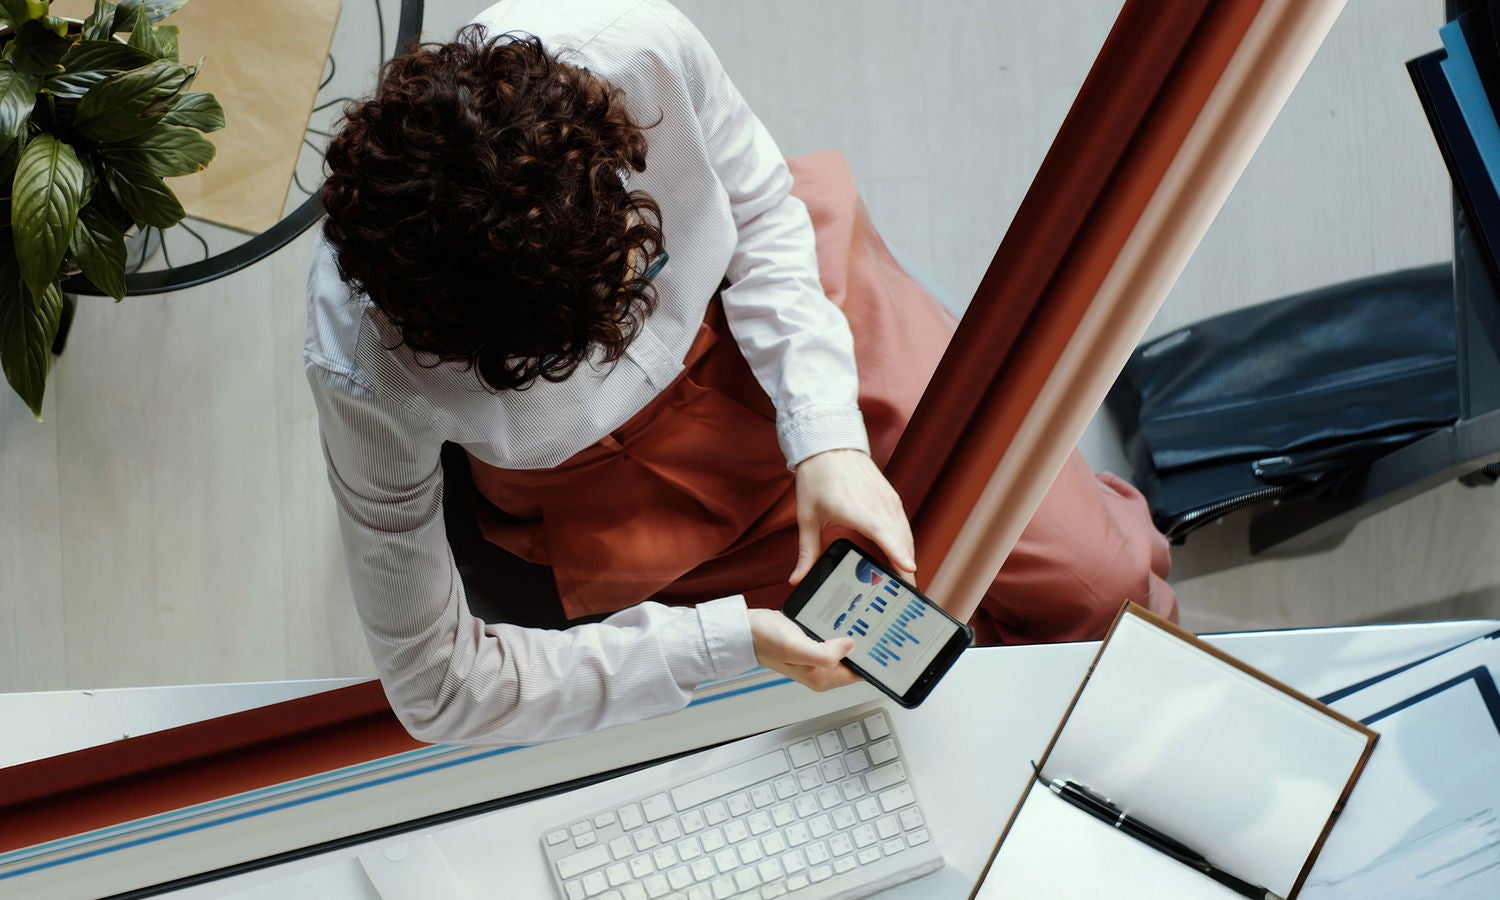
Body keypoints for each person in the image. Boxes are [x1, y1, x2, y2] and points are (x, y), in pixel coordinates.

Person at [307, 0, 1175, 747]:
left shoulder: (631, 46)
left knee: (1097, 586)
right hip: (625, 490)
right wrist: (728, 643)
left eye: (641, 267)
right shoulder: (363, 377)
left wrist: (826, 436)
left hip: (787, 316)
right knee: (896, 685)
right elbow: (436, 684)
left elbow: (759, 207)